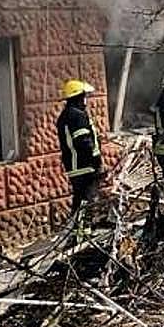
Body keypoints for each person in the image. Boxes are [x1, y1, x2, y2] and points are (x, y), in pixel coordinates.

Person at [56, 79, 102, 227]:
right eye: (84, 96)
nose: (86, 101)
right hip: (84, 166)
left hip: (74, 166)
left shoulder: (65, 116)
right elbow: (84, 142)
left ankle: (77, 232)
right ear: (78, 97)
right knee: (86, 201)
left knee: (79, 199)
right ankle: (83, 234)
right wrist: (96, 162)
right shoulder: (77, 116)